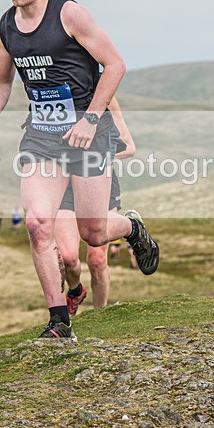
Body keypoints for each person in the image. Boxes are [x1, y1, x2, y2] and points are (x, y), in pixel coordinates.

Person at [0, 0, 159, 341]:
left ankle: (130, 227)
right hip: (41, 138)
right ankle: (59, 322)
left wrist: (91, 120)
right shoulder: (6, 26)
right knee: (39, 224)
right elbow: (1, 78)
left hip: (87, 137)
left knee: (93, 233)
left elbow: (115, 65)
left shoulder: (69, 15)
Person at [56, 96, 135, 314]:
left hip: (98, 179)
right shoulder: (54, 90)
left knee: (97, 259)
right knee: (68, 257)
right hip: (66, 183)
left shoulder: (105, 97)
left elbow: (129, 147)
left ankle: (99, 315)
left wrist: (93, 155)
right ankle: (75, 291)